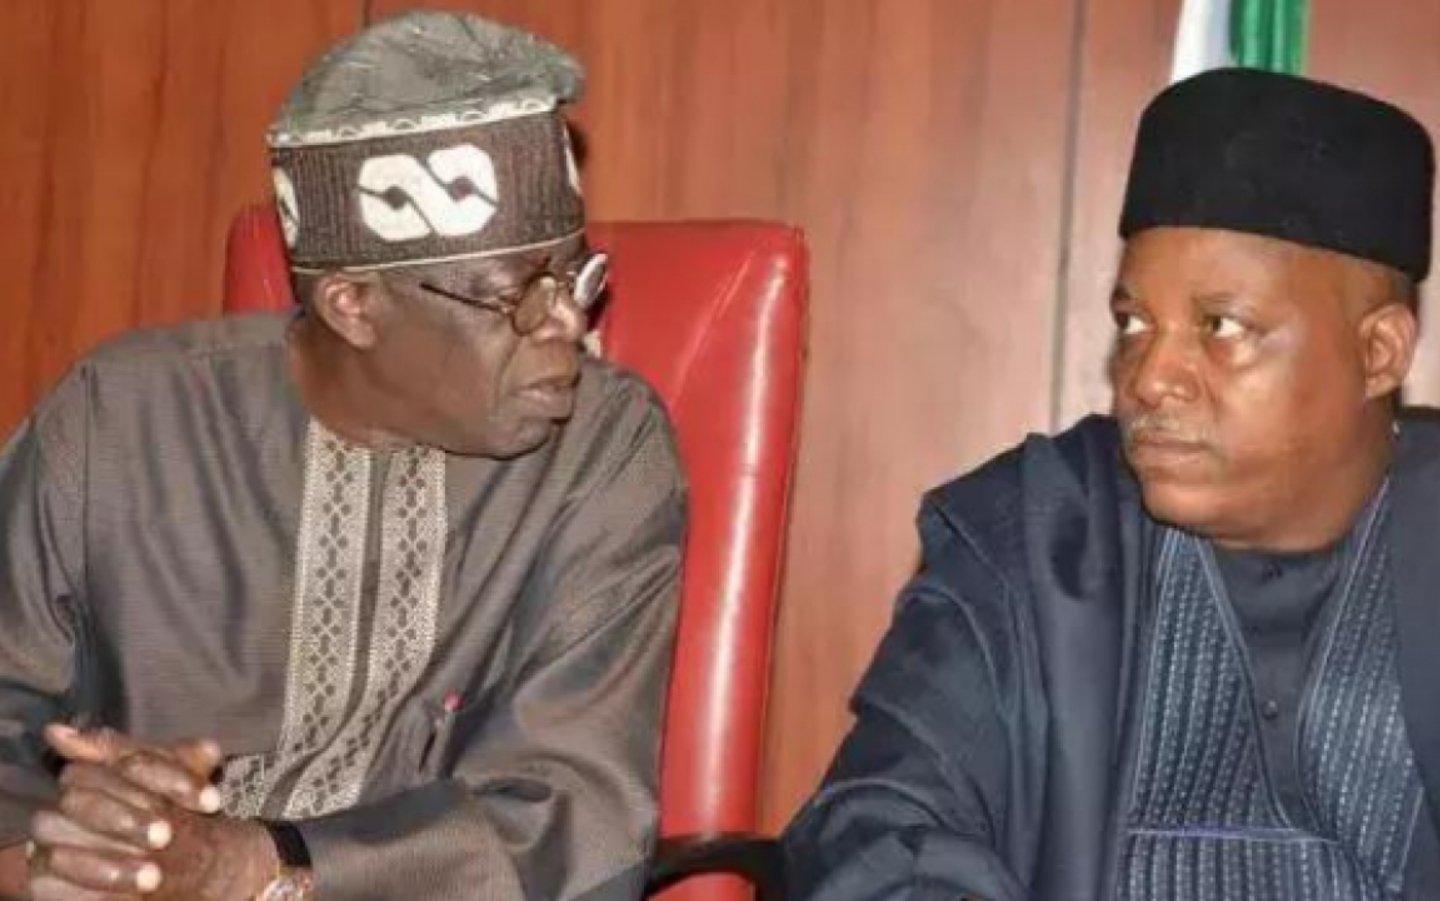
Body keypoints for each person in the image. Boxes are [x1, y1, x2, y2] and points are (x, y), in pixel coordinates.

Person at [0, 10, 685, 901]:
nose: (569, 323)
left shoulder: (605, 448)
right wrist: (76, 850)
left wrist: (249, 865)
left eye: (575, 275)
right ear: (354, 306)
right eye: (517, 295)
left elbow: (579, 813)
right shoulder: (116, 422)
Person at [784, 68, 1440, 900]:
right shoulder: (1035, 537)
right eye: (1134, 323)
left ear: (1379, 353)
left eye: (1222, 326)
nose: (1151, 375)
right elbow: (879, 827)